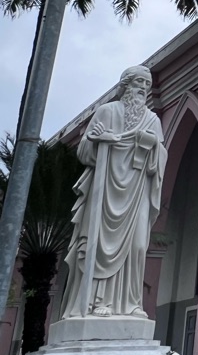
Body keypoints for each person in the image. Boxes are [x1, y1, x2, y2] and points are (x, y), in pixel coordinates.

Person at [60, 65, 167, 319]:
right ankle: (96, 302)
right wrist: (99, 141)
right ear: (125, 85)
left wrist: (152, 146)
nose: (143, 87)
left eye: (147, 84)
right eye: (138, 82)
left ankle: (129, 304)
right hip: (105, 190)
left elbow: (160, 157)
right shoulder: (106, 112)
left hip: (137, 191)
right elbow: (84, 150)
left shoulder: (152, 120)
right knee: (98, 244)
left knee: (138, 245)